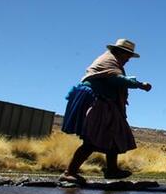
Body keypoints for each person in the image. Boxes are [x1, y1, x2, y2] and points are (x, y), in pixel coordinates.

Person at [60, 39, 152, 184]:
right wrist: (139, 84)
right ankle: (69, 172)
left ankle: (112, 170)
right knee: (92, 139)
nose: (128, 59)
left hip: (105, 102)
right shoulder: (108, 60)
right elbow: (115, 79)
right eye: (127, 55)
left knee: (113, 134)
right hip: (96, 101)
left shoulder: (113, 62)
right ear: (119, 52)